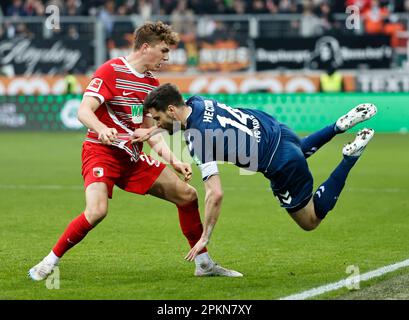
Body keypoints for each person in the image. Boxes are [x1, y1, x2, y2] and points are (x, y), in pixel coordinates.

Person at [28, 22, 242, 281]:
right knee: (97, 211)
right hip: (101, 152)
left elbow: (149, 130)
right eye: (163, 51)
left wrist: (174, 160)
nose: (167, 57)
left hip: (132, 158)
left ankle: (204, 263)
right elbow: (84, 111)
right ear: (145, 47)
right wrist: (101, 128)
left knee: (187, 195)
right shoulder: (111, 71)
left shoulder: (151, 83)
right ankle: (49, 262)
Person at [136, 83, 377, 262]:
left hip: (278, 164)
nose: (157, 124)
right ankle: (338, 126)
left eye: (158, 118)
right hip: (278, 131)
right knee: (298, 152)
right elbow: (182, 119)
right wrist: (152, 132)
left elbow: (215, 194)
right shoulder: (197, 102)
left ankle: (349, 157)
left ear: (170, 109)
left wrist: (205, 236)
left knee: (309, 220)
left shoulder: (197, 139)